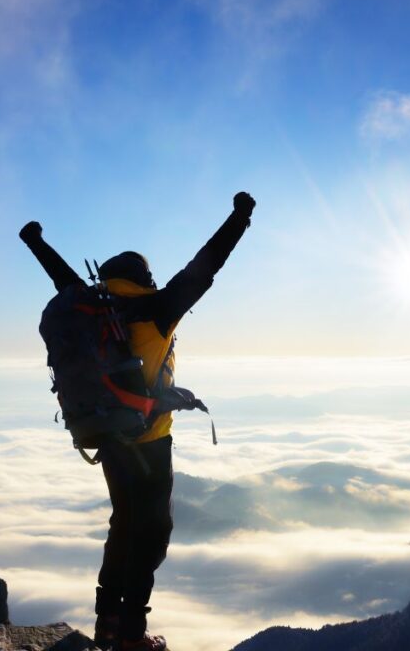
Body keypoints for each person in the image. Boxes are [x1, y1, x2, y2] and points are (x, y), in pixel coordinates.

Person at [19, 191, 255, 651]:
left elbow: (61, 278)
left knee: (122, 525)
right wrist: (239, 217)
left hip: (105, 435)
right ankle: (131, 635)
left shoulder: (90, 309)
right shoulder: (158, 308)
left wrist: (36, 242)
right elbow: (207, 265)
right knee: (151, 536)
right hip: (149, 439)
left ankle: (107, 622)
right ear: (143, 277)